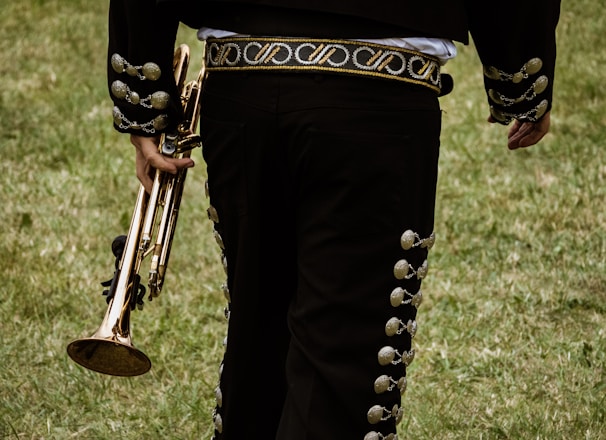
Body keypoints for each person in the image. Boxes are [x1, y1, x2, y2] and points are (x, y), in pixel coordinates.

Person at [107, 1, 561, 438]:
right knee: (340, 360)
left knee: (259, 345)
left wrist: (143, 100)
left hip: (243, 78)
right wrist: (520, 74)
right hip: (379, 88)